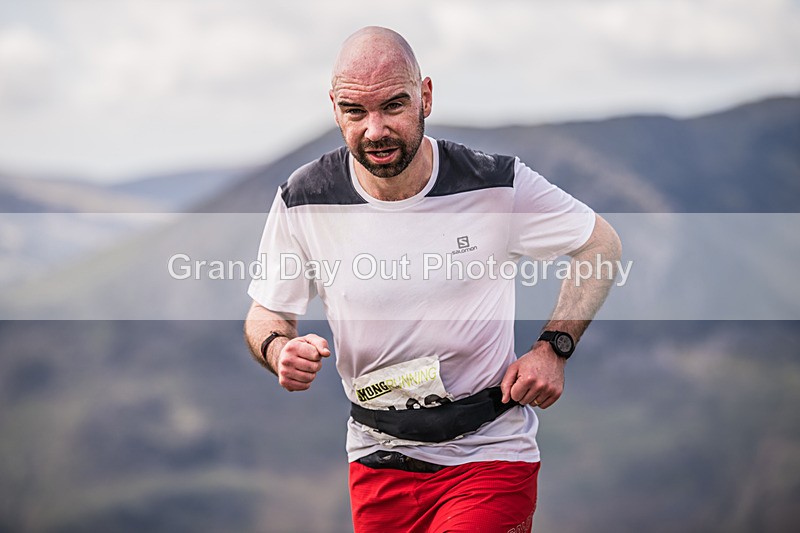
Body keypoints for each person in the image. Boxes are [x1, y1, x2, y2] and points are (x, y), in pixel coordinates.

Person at [244, 26, 622, 533]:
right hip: (378, 458)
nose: (374, 129)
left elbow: (601, 244)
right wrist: (277, 350)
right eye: (355, 111)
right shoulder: (304, 196)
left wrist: (554, 347)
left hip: (488, 453)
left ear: (425, 96)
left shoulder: (494, 183)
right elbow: (268, 311)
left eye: (393, 106)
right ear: (335, 108)